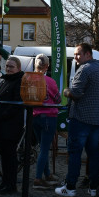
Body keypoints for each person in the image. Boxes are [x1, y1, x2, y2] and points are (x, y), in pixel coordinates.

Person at [55, 43, 99, 197]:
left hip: (81, 118)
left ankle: (70, 187)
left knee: (75, 153)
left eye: (78, 54)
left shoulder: (84, 69)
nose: (76, 57)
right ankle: (93, 187)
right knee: (95, 155)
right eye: (75, 54)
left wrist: (66, 92)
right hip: (97, 119)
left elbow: (76, 94)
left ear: (88, 54)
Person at [0, 56, 26, 193]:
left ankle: (11, 185)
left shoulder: (19, 82)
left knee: (10, 156)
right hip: (1, 124)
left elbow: (17, 104)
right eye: (8, 66)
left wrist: (3, 115)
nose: (9, 69)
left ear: (18, 68)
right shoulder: (4, 80)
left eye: (12, 67)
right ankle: (5, 182)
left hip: (11, 124)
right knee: (3, 154)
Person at [31, 53, 62, 189]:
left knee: (42, 146)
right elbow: (58, 99)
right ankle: (38, 179)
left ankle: (47, 173)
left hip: (34, 116)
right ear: (47, 66)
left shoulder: (29, 80)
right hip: (49, 117)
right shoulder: (49, 81)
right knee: (44, 149)